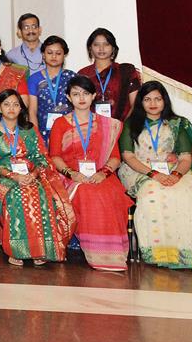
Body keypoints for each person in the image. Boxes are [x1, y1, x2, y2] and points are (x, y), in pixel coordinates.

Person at [117, 81, 192, 269]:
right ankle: (161, 252)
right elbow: (127, 156)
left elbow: (185, 157)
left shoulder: (177, 124)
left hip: (172, 170)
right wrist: (153, 174)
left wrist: (176, 175)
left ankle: (186, 254)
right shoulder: (131, 124)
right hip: (139, 171)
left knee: (184, 195)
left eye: (158, 99)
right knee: (154, 195)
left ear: (164, 101)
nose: (153, 103)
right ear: (140, 102)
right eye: (147, 99)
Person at [47, 75, 131, 272]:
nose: (81, 98)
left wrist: (103, 173)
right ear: (68, 97)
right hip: (69, 176)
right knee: (86, 193)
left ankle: (113, 254)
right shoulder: (61, 123)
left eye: (85, 93)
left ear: (94, 96)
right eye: (75, 94)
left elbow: (115, 157)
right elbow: (55, 157)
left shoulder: (108, 124)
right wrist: (72, 174)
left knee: (109, 193)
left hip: (102, 174)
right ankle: (96, 253)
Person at [0, 88, 74, 266]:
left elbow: (41, 157)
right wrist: (13, 176)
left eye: (16, 104)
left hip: (31, 175)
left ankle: (40, 250)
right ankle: (18, 251)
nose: (11, 108)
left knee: (40, 193)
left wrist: (33, 174)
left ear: (21, 108)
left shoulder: (29, 130)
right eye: (7, 104)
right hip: (3, 177)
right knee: (17, 195)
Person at [78, 28, 141, 123]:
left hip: (122, 129)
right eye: (96, 45)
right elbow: (78, 106)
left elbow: (135, 104)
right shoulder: (83, 74)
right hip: (90, 131)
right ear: (90, 48)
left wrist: (123, 129)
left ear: (113, 48)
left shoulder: (126, 72)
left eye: (106, 44)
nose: (101, 49)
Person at [28, 35, 76, 140]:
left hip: (69, 131)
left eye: (58, 53)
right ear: (43, 55)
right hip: (42, 130)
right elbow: (32, 111)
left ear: (64, 55)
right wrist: (36, 137)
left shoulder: (72, 77)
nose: (54, 56)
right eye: (49, 53)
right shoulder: (34, 79)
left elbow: (77, 107)